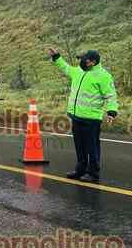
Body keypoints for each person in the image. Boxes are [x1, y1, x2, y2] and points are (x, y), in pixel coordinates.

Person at [48, 48, 119, 183]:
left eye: (83, 59)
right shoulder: (79, 71)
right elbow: (66, 68)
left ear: (92, 62)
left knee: (92, 147)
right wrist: (57, 57)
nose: (81, 61)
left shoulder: (103, 76)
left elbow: (111, 96)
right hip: (76, 117)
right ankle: (80, 169)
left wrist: (111, 111)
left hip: (91, 119)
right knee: (79, 145)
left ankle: (93, 173)